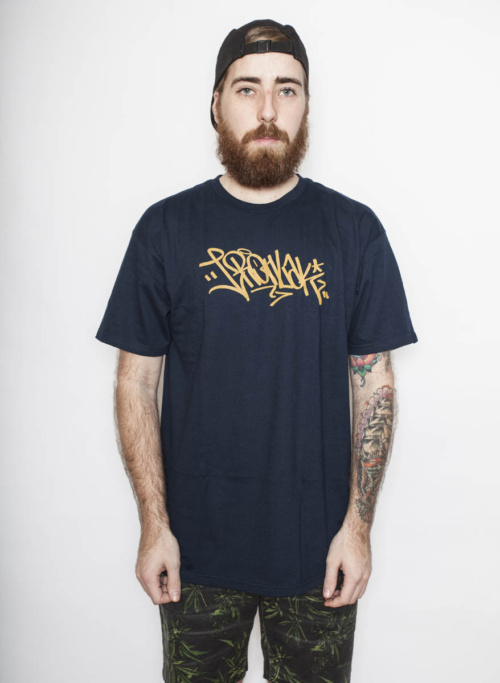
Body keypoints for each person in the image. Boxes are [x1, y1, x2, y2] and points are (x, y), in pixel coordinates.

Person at [95, 18, 418, 683]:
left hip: (318, 556)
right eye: (247, 89)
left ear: (307, 106)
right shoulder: (165, 229)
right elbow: (136, 385)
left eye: (287, 90)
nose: (268, 110)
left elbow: (374, 387)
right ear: (216, 103)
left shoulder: (354, 231)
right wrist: (153, 525)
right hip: (194, 555)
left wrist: (358, 530)